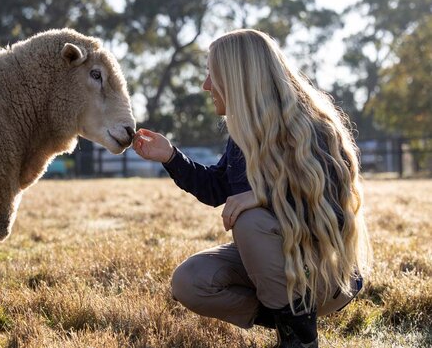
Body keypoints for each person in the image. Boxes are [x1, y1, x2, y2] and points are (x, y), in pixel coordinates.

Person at [133, 29, 371, 348]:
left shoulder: (313, 128)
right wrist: (171, 156)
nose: (205, 85)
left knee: (251, 221)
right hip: (279, 270)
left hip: (326, 274)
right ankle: (292, 321)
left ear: (237, 77)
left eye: (211, 74)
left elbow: (335, 215)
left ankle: (299, 340)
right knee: (190, 281)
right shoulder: (242, 135)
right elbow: (217, 190)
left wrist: (264, 197)